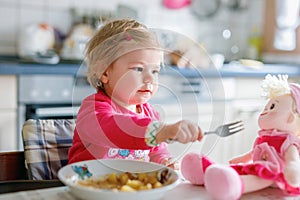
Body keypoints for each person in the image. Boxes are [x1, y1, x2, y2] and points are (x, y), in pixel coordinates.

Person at [68, 19, 203, 168]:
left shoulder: (150, 115)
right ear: (104, 72)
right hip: (87, 185)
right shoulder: (93, 109)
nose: (150, 78)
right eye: (138, 69)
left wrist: (165, 161)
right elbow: (115, 128)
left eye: (155, 71)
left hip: (130, 188)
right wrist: (162, 130)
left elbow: (157, 152)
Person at [181, 74, 300, 199]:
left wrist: (293, 171)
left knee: (257, 178)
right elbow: (253, 153)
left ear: (290, 118)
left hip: (275, 174)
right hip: (258, 167)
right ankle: (204, 171)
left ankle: (232, 186)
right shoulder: (265, 138)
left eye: (272, 107)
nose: (264, 111)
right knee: (241, 169)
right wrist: (243, 158)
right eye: (266, 107)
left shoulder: (288, 142)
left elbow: (293, 160)